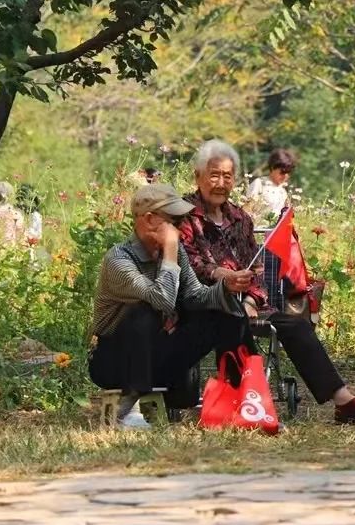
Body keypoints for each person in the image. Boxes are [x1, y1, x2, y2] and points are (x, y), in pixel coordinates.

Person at [178, 140, 355, 424]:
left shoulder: (240, 219)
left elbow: (259, 268)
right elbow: (189, 263)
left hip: (244, 302)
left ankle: (343, 401)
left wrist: (251, 299)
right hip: (203, 304)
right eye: (214, 175)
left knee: (295, 323)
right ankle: (249, 408)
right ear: (198, 176)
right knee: (232, 320)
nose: (221, 183)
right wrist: (223, 277)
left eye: (228, 176)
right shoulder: (183, 215)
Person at [89, 182, 256, 429]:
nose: (181, 227)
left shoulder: (175, 254)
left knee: (226, 312)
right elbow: (162, 301)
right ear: (148, 219)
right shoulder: (119, 260)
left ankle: (244, 401)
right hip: (113, 362)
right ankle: (126, 410)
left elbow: (195, 296)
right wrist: (169, 251)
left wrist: (225, 288)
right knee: (142, 312)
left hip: (154, 354)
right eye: (174, 221)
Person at [244, 148, 296, 223]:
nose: (285, 176)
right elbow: (247, 210)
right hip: (259, 230)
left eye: (288, 172)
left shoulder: (282, 190)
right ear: (272, 168)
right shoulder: (259, 184)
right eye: (282, 172)